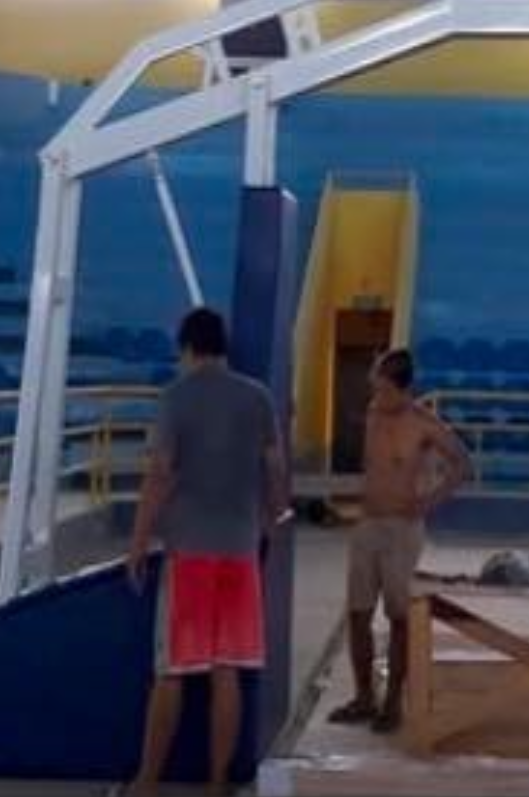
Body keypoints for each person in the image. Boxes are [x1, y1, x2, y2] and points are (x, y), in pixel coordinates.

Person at [126, 307, 288, 795]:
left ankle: (146, 784)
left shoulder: (176, 398)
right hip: (240, 555)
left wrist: (138, 540)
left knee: (172, 672)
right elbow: (276, 471)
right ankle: (218, 783)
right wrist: (271, 517)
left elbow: (160, 474)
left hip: (190, 554)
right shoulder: (257, 397)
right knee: (227, 673)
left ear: (187, 347)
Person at [326, 348, 473, 734]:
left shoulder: (423, 422)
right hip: (367, 524)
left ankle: (393, 701)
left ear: (400, 387)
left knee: (399, 617)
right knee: (357, 614)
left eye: (382, 385)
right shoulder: (375, 410)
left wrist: (428, 501)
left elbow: (463, 463)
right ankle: (363, 696)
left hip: (401, 531)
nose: (375, 391)